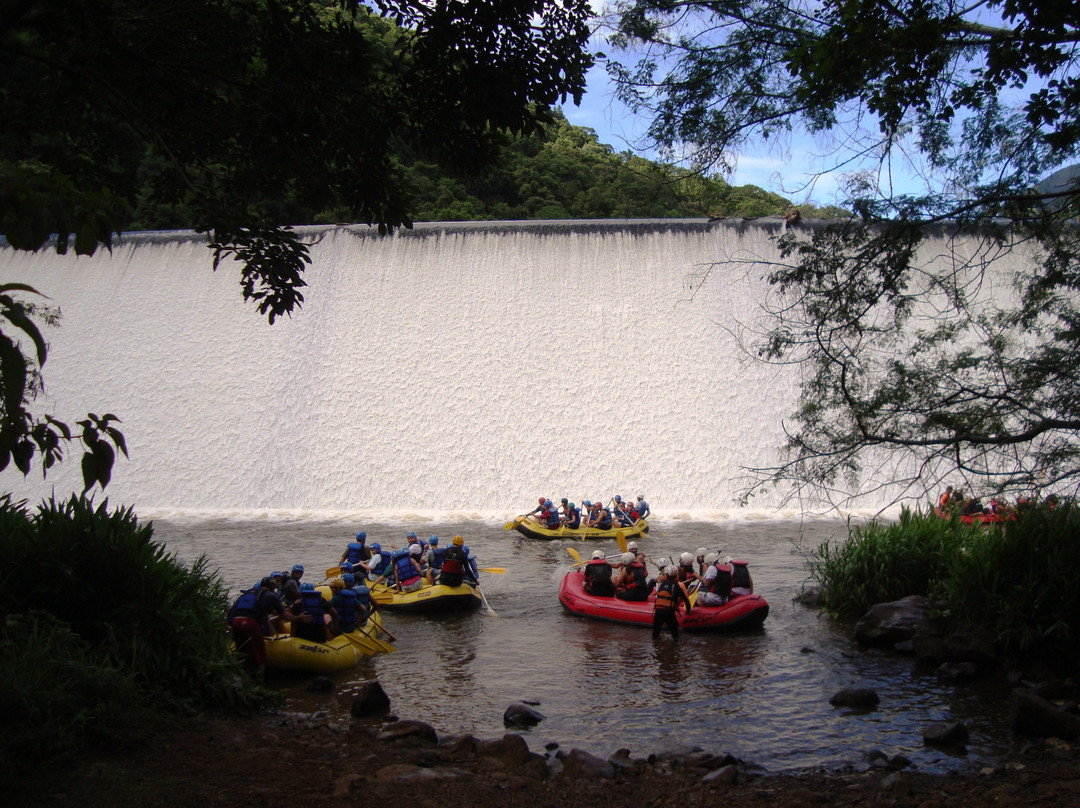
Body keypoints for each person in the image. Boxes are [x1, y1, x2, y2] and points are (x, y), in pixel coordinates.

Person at [227, 578, 291, 680]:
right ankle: (259, 682)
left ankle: (240, 678)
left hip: (236, 623)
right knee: (260, 657)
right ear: (272, 587)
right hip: (250, 624)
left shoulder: (246, 595)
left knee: (241, 653)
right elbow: (283, 614)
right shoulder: (270, 596)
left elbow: (230, 611)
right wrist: (298, 618)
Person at [652, 565, 692, 640]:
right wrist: (688, 611)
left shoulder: (661, 584)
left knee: (655, 635)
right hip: (668, 612)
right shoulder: (677, 586)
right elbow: (686, 600)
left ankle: (656, 648)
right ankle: (674, 649)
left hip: (658, 611)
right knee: (675, 636)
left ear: (666, 575)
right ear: (676, 575)